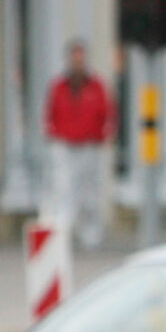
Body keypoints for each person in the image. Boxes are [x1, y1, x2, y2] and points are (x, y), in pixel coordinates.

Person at [43, 38, 114, 249]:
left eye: (81, 59)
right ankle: (63, 232)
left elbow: (106, 112)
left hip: (90, 145)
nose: (78, 63)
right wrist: (54, 134)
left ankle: (90, 234)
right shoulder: (59, 86)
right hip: (64, 144)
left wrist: (102, 136)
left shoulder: (96, 86)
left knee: (90, 191)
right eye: (74, 58)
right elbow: (50, 113)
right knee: (63, 188)